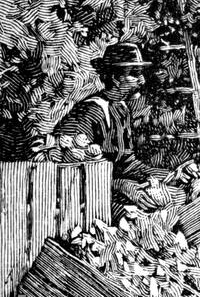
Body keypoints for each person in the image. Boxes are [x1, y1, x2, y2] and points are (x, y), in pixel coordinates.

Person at [55, 42, 170, 218]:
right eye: (134, 74)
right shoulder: (89, 111)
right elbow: (76, 172)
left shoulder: (121, 109)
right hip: (82, 203)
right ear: (115, 77)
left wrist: (166, 175)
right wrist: (122, 185)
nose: (142, 81)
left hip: (110, 192)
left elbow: (127, 162)